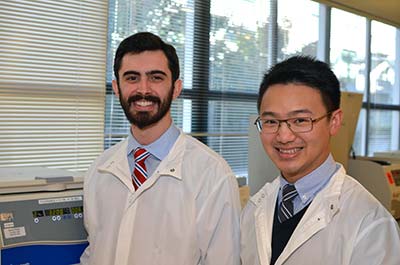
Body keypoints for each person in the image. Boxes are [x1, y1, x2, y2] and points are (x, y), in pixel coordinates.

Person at [80, 32, 241, 265]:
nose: (143, 90)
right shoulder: (99, 170)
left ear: (176, 88)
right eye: (132, 78)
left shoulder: (212, 174)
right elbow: (96, 252)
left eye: (156, 77)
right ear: (116, 87)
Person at [240, 56, 400, 265]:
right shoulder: (255, 208)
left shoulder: (371, 223)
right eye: (271, 121)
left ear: (334, 122)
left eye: (300, 120)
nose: (284, 136)